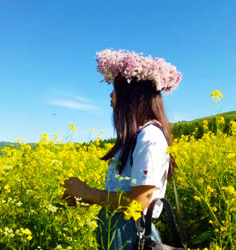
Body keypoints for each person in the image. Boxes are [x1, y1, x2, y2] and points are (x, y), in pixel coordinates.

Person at [62, 49, 182, 250]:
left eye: (115, 89)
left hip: (131, 232)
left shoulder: (150, 137)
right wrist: (84, 197)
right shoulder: (134, 138)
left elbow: (139, 202)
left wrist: (90, 193)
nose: (110, 95)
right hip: (117, 229)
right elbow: (120, 193)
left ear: (132, 95)